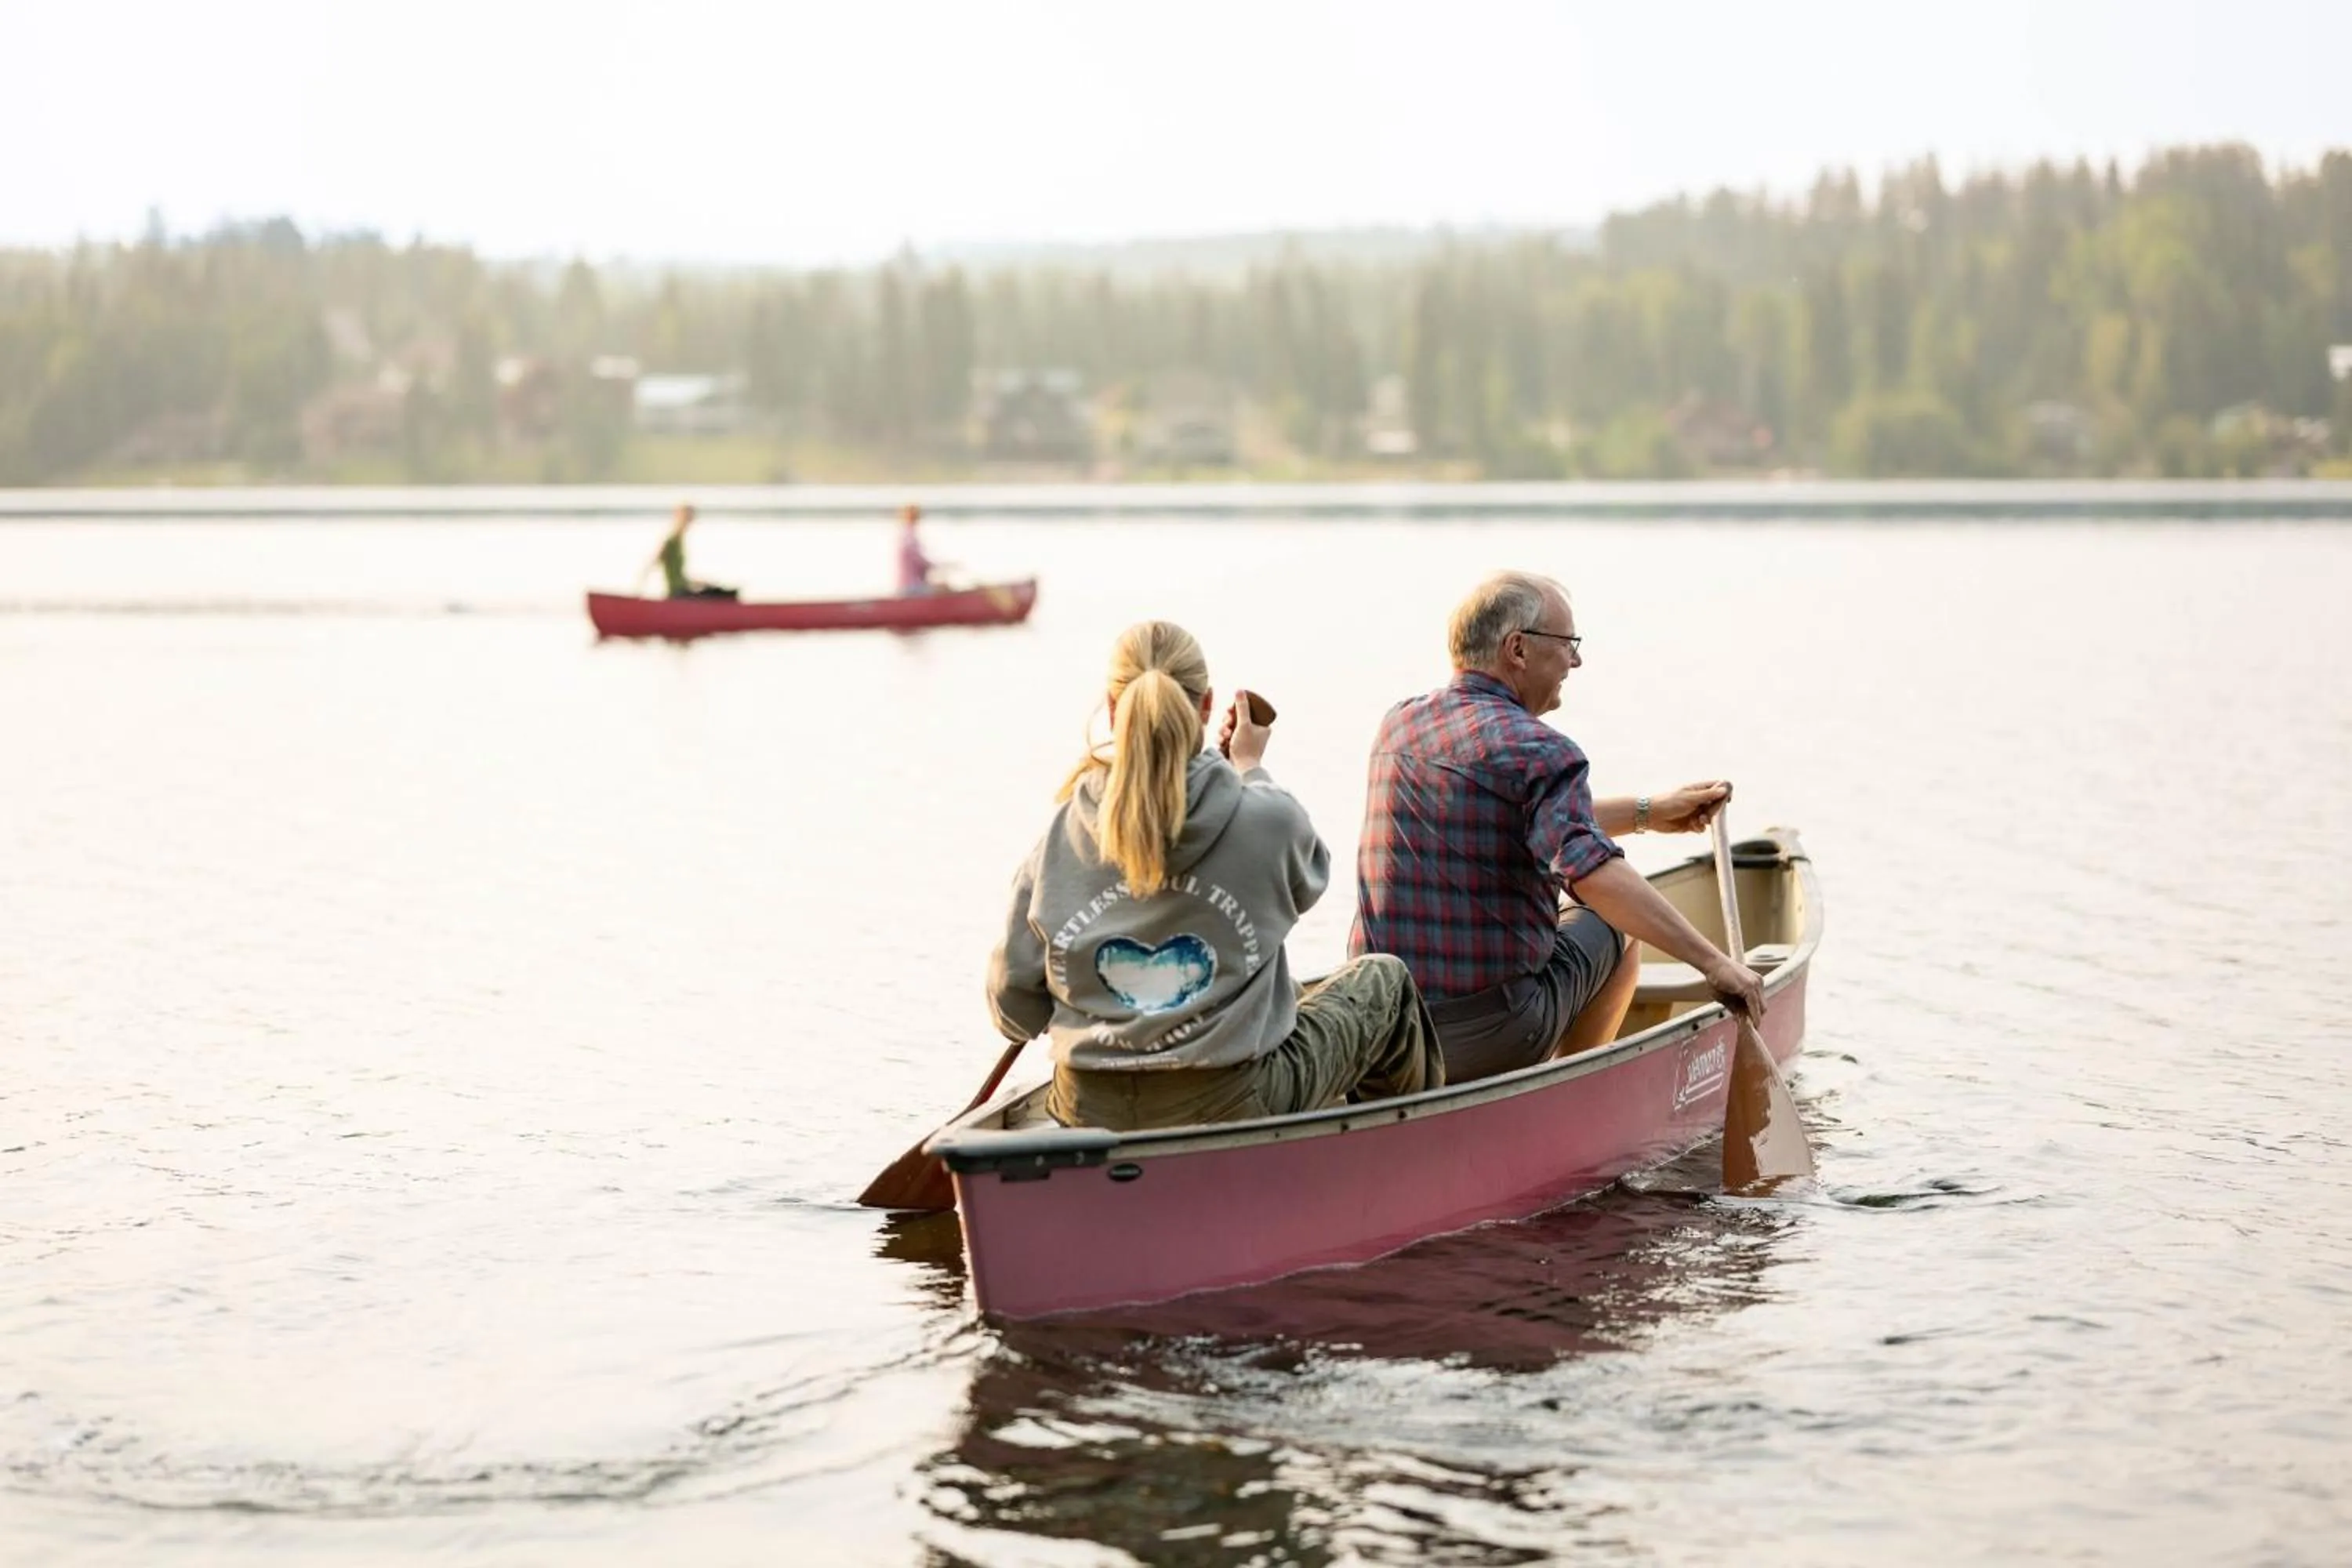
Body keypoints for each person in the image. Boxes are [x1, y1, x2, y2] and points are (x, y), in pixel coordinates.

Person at [988, 620, 1443, 1132]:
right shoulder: (1266, 817)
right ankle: (1390, 1166)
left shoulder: (1058, 831)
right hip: (1229, 1101)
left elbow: (1014, 1008)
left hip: (1087, 1105)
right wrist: (1248, 767)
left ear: (1115, 711)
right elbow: (1307, 881)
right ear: (1206, 707)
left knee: (1288, 991)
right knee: (1384, 981)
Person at [1349, 571, 1765, 1085]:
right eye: (1568, 643)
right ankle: (1571, 1087)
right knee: (1615, 920)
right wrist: (1714, 964)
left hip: (1378, 1028)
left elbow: (1504, 811)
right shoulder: (1542, 749)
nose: (1576, 661)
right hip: (1491, 1035)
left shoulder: (1400, 725)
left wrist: (1649, 813)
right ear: (1518, 649)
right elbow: (1594, 874)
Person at [642, 503, 737, 601]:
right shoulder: (670, 542)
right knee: (721, 595)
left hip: (683, 590)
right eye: (686, 517)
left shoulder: (680, 542)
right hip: (677, 594)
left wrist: (698, 582)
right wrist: (640, 592)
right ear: (678, 517)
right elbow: (652, 563)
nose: (688, 521)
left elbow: (680, 577)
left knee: (723, 592)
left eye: (690, 518)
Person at [895, 503, 942, 596]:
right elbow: (919, 561)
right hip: (911, 587)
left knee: (942, 586)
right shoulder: (909, 536)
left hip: (911, 584)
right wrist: (936, 566)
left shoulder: (907, 534)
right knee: (944, 589)